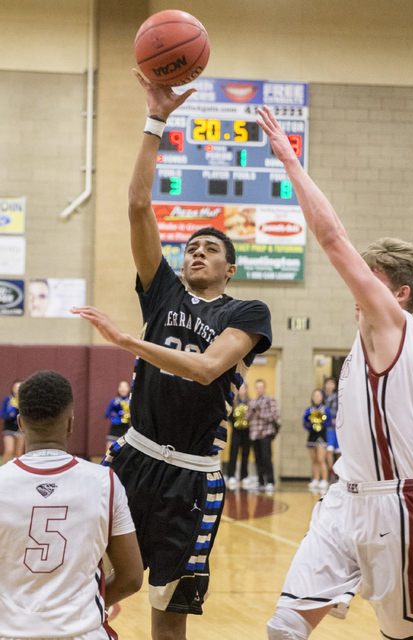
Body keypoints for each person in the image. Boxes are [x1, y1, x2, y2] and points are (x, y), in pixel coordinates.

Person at [71, 74, 272, 640]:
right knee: (96, 581)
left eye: (211, 248)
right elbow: (138, 205)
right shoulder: (162, 292)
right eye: (191, 248)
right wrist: (154, 120)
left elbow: (209, 368)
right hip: (132, 459)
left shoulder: (247, 313)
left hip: (193, 477)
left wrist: (128, 342)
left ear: (229, 268)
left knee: (169, 617)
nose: (197, 252)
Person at [257, 106, 413, 640]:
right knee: (284, 629)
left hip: (392, 506)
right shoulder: (365, 339)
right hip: (341, 500)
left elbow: (332, 239)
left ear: (397, 293)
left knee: (401, 636)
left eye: (370, 277)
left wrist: (290, 160)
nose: (357, 283)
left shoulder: (392, 322)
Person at [0, 370, 143, 639]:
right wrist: (85, 606)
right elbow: (132, 577)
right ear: (70, 424)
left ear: (20, 422)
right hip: (84, 633)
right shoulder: (106, 483)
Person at [246, 379, 279, 494]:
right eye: (257, 387)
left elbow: (275, 416)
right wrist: (251, 412)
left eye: (261, 387)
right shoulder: (252, 402)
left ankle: (270, 481)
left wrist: (260, 414)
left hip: (266, 434)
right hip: (254, 435)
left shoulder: (270, 400)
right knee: (257, 459)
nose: (259, 389)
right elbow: (246, 419)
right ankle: (260, 481)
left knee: (266, 458)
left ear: (264, 388)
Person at [303, 389, 331, 493]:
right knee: (314, 460)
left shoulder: (325, 409)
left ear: (322, 397)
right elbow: (304, 422)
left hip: (321, 435)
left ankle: (324, 479)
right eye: (315, 395)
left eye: (319, 396)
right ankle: (315, 478)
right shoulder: (309, 410)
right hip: (312, 435)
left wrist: (320, 423)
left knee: (321, 459)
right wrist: (311, 425)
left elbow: (329, 422)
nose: (317, 397)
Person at [226, 382, 252, 489]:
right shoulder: (233, 402)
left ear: (246, 389)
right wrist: (235, 422)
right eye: (240, 388)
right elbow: (229, 415)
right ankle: (231, 475)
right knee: (233, 452)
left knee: (245, 453)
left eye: (243, 388)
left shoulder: (250, 402)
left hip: (247, 431)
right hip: (236, 430)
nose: (242, 390)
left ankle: (244, 476)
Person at [0, 379, 24, 463]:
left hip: (21, 429)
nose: (17, 389)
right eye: (16, 387)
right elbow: (2, 413)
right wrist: (10, 413)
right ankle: (5, 470)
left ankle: (17, 472)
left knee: (18, 453)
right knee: (9, 450)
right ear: (13, 388)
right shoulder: (8, 399)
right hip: (9, 428)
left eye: (20, 387)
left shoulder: (24, 401)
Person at [104, 381, 131, 451]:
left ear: (128, 389)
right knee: (109, 452)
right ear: (118, 389)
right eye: (121, 387)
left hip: (126, 429)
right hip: (114, 429)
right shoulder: (114, 401)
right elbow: (107, 414)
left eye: (125, 387)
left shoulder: (131, 402)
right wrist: (119, 414)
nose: (123, 389)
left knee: (125, 452)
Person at [322, 377, 340, 479]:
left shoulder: (337, 396)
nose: (329, 386)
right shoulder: (322, 396)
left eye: (331, 384)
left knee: (339, 451)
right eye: (328, 384)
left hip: (337, 427)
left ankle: (339, 473)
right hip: (327, 428)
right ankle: (331, 472)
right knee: (329, 450)